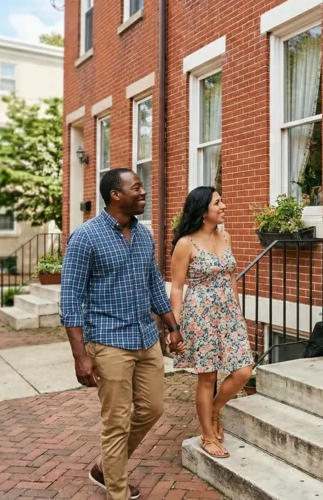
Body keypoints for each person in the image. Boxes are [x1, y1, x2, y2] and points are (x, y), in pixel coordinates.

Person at [60, 168, 185, 500]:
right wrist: (80, 357)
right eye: (137, 188)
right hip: (107, 340)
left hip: (146, 337)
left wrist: (172, 327)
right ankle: (116, 490)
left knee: (153, 408)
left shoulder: (144, 235)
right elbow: (70, 299)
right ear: (116, 195)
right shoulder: (85, 237)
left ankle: (104, 466)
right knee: (115, 421)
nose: (143, 193)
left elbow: (154, 287)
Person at [169, 186, 254, 459]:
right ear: (203, 209)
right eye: (218, 202)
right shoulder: (186, 244)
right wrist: (175, 327)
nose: (224, 206)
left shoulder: (226, 236)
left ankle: (216, 408)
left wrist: (238, 313)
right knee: (207, 379)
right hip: (200, 316)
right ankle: (207, 436)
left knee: (244, 371)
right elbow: (177, 288)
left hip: (229, 314)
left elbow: (232, 277)